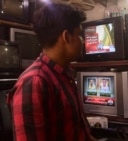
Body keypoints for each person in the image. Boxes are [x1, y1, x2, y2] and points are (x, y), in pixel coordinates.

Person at [6, 1, 96, 141]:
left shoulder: (65, 75)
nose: (82, 41)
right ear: (66, 37)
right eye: (79, 35)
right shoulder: (34, 82)